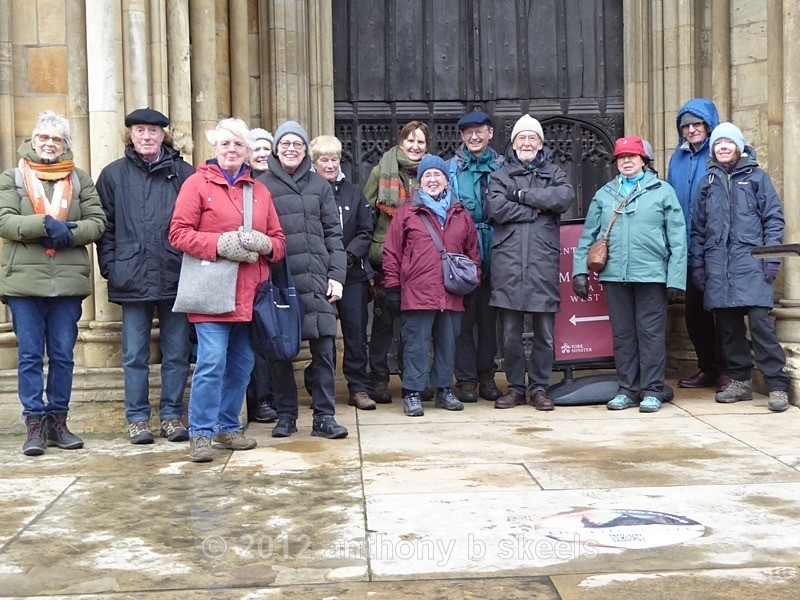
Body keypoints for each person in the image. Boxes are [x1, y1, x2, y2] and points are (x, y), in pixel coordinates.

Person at [169, 118, 286, 462]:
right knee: (211, 361)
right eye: (225, 144)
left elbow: (279, 242)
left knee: (241, 364)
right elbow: (178, 233)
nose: (232, 150)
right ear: (215, 149)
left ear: (248, 151)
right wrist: (221, 243)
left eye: (238, 145)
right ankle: (201, 433)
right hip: (211, 290)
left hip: (251, 292)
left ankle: (225, 426)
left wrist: (266, 244)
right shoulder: (197, 184)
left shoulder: (260, 191)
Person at [0, 110, 106, 455]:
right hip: (24, 283)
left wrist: (69, 233)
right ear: (33, 141)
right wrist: (44, 224)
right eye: (43, 137)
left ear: (65, 146)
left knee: (62, 355)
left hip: (67, 282)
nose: (49, 143)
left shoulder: (79, 180)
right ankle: (34, 422)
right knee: (30, 355)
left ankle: (58, 422)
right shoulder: (12, 177)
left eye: (56, 139)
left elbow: (97, 222)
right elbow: (4, 221)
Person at [95, 108, 195, 445]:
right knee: (135, 354)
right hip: (131, 275)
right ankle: (138, 418)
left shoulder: (183, 173)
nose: (147, 137)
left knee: (177, 351)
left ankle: (171, 415)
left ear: (163, 135)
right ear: (131, 135)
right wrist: (111, 266)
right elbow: (104, 228)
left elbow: (196, 223)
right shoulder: (113, 175)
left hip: (176, 274)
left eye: (153, 131)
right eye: (140, 130)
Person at [573, 136, 686, 413]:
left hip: (651, 276)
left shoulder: (662, 191)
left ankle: (652, 390)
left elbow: (678, 236)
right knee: (623, 335)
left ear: (643, 161)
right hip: (614, 276)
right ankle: (627, 389)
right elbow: (589, 235)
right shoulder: (604, 194)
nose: (626, 162)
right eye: (621, 158)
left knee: (650, 335)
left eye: (632, 157)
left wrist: (676, 278)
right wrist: (579, 271)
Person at [690, 123, 790, 412]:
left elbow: (773, 220)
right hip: (718, 267)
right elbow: (698, 229)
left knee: (760, 325)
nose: (722, 147)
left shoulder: (758, 178)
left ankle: (776, 385)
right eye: (718, 143)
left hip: (752, 264)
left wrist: (772, 259)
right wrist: (698, 265)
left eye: (728, 143)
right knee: (729, 328)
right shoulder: (706, 182)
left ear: (739, 147)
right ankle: (740, 381)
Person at [257, 121, 349, 439]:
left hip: (318, 281)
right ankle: (286, 416)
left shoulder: (319, 186)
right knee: (281, 353)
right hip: (281, 283)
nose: (292, 149)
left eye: (297, 144)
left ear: (305, 149)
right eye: (286, 144)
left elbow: (333, 235)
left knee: (324, 350)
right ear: (276, 149)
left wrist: (337, 275)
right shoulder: (262, 186)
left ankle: (324, 416)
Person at [487, 114, 575, 411]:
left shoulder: (555, 173)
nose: (527, 142)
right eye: (522, 138)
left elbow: (563, 198)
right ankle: (514, 387)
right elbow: (496, 209)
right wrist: (536, 209)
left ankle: (539, 387)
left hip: (542, 265)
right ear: (513, 143)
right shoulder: (500, 176)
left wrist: (523, 195)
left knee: (544, 335)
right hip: (508, 266)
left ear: (540, 144)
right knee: (510, 335)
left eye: (532, 138)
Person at [382, 154, 481, 417]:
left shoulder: (461, 214)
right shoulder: (407, 213)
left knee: (448, 343)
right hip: (417, 290)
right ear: (420, 181)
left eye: (438, 175)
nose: (433, 180)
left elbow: (473, 253)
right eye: (428, 175)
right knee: (416, 343)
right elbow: (391, 252)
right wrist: (392, 286)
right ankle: (413, 392)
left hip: (451, 292)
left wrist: (473, 283)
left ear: (447, 180)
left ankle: (444, 389)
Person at [364, 121, 430, 404]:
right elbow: (366, 214)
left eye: (421, 142)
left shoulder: (432, 173)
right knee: (383, 323)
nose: (415, 147)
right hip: (385, 258)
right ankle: (379, 379)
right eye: (410, 141)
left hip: (419, 263)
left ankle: (412, 378)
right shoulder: (381, 171)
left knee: (414, 325)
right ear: (401, 142)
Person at [666, 99, 728, 391]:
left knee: (723, 312)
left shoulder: (719, 153)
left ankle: (729, 371)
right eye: (686, 126)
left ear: (708, 126)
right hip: (687, 246)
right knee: (694, 314)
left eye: (697, 125)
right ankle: (708, 368)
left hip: (718, 247)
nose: (691, 130)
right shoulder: (676, 159)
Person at [310, 135, 376, 410]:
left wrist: (347, 258)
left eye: (334, 159)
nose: (330, 165)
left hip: (353, 276)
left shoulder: (353, 192)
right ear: (314, 163)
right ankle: (319, 390)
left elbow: (365, 230)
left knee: (355, 333)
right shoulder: (307, 191)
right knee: (319, 335)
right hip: (316, 274)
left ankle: (358, 387)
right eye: (324, 160)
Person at [446, 111, 505, 403]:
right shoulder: (451, 169)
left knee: (489, 318)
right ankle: (467, 380)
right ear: (461, 137)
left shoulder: (504, 167)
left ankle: (487, 376)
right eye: (467, 132)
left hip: (498, 251)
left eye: (479, 131)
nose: (474, 136)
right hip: (462, 256)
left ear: (490, 133)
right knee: (463, 320)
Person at [244, 127, 278, 424]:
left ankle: (269, 396)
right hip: (243, 270)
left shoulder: (277, 184)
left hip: (274, 266)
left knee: (270, 335)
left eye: (268, 148)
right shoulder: (242, 185)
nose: (263, 154)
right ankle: (255, 399)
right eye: (257, 149)